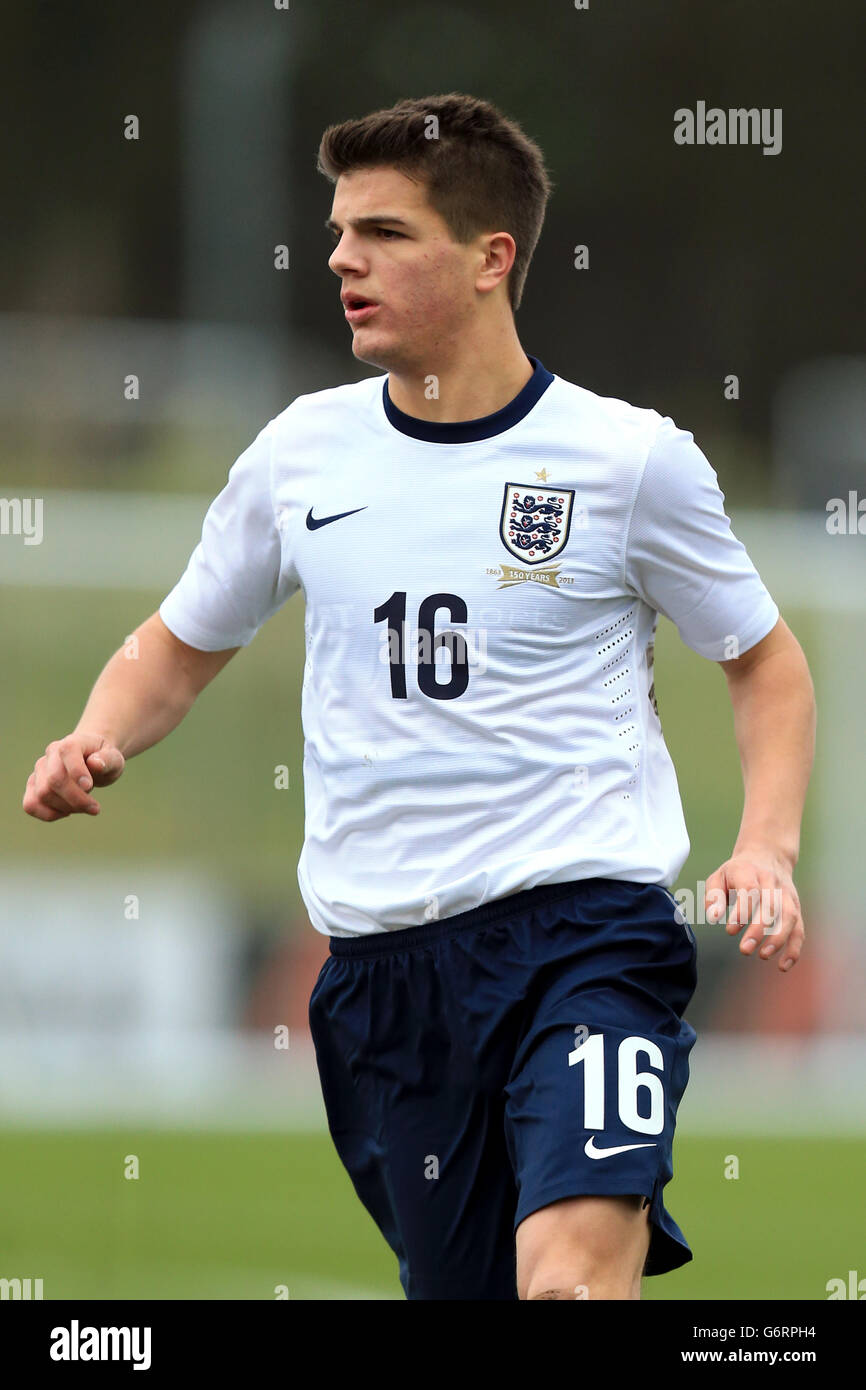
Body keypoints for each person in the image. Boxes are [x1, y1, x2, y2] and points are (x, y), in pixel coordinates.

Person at [23, 93, 816, 1301]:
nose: (341, 256)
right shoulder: (300, 454)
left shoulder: (626, 459)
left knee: (568, 1280)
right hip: (384, 981)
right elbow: (176, 645)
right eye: (339, 230)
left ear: (492, 258)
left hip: (585, 941)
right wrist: (95, 731)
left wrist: (763, 843)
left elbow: (762, 660)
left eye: (385, 232)